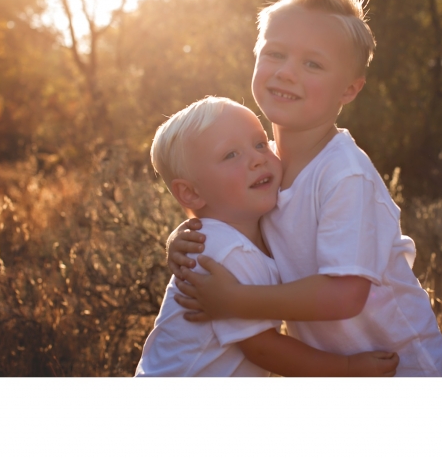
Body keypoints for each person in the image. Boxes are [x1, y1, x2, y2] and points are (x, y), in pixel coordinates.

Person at [168, 0, 442, 377]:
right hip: (338, 369)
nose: (287, 72)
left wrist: (234, 302)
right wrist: (183, 238)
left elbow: (344, 295)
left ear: (349, 90)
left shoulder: (344, 175)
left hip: (402, 368)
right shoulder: (263, 167)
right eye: (275, 54)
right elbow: (227, 216)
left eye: (312, 63)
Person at [135, 96, 399, 376]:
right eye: (231, 155)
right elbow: (263, 350)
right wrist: (346, 368)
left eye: (260, 144)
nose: (258, 158)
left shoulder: (251, 230)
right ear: (190, 193)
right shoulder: (223, 252)